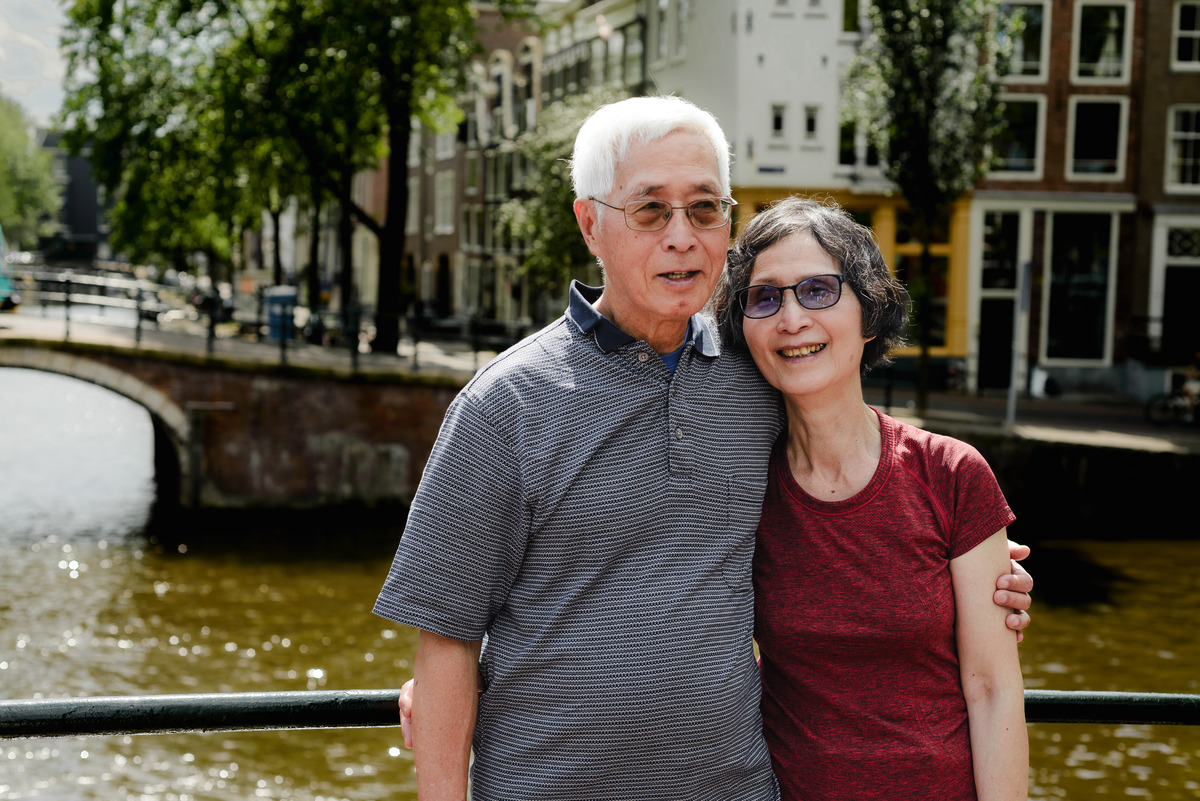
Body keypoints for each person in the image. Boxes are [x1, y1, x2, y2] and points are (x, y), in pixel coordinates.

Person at [374, 96, 1033, 801]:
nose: (681, 236)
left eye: (704, 208)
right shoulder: (503, 406)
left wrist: (979, 579)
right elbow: (446, 636)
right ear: (590, 223)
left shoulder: (758, 381)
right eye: (651, 210)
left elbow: (855, 484)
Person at [712, 196, 1027, 800]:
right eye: (765, 296)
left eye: (818, 290)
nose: (791, 317)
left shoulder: (951, 473)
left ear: (871, 312)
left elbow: (991, 688)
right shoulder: (739, 486)